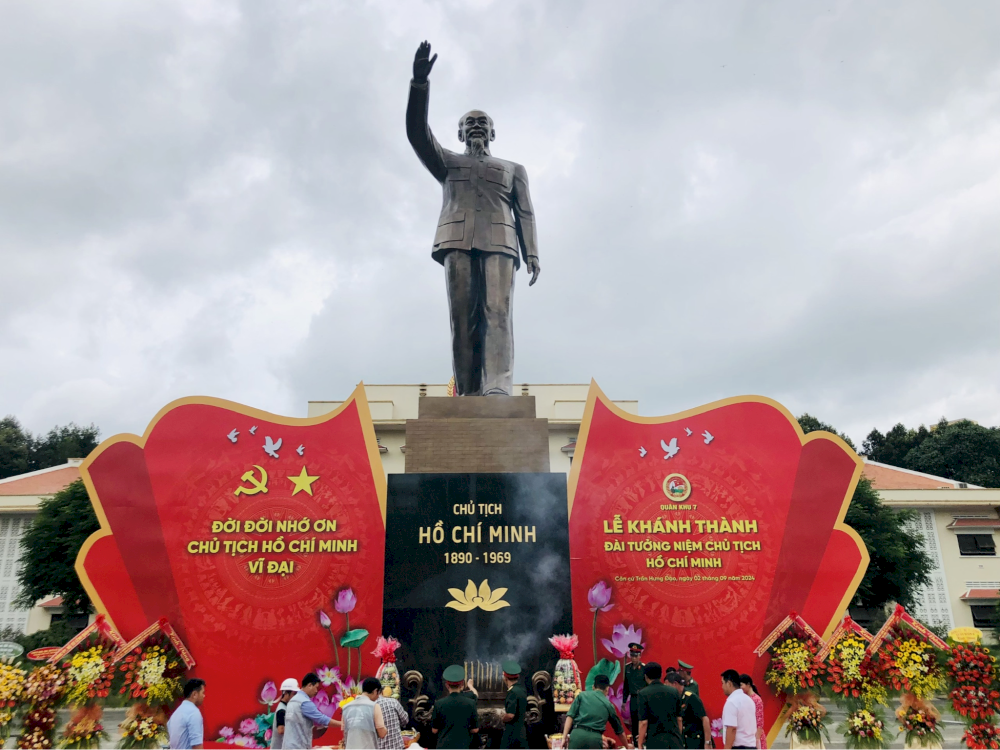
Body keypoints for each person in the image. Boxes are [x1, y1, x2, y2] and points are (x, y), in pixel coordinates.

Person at [406, 41, 541, 397]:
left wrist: (533, 254)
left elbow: (525, 211)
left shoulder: (514, 169)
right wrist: (419, 85)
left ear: (493, 133)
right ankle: (466, 392)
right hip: (456, 241)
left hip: (501, 242)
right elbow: (418, 134)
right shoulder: (447, 162)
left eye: (483, 123)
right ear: (460, 134)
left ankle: (498, 388)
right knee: (462, 318)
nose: (477, 127)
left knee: (497, 313)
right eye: (470, 123)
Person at [563, 675, 633, 750]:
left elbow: (570, 716)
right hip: (594, 740)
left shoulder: (581, 696)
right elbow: (620, 731)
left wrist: (564, 738)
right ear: (607, 689)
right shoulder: (609, 705)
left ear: (593, 687)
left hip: (576, 737)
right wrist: (627, 746)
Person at [284, 673, 342, 750]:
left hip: (288, 746)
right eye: (316, 687)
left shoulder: (292, 701)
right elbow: (322, 719)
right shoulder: (304, 702)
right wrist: (342, 724)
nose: (316, 691)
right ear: (310, 685)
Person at [432, 666, 480, 750]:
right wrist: (470, 686)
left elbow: (434, 730)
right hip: (463, 746)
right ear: (462, 684)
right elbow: (475, 730)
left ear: (447, 685)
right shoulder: (471, 703)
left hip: (443, 746)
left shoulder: (439, 704)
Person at [636, 665, 682, 750]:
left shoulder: (643, 694)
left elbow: (643, 723)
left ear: (646, 676)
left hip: (655, 742)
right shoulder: (674, 691)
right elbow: (679, 719)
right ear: (661, 675)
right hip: (675, 741)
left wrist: (640, 743)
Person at [343, 678, 389, 750]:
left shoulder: (346, 707)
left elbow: (345, 732)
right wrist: (386, 730)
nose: (378, 697)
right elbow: (382, 733)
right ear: (375, 691)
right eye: (379, 693)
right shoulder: (374, 706)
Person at [667, 674, 710, 750]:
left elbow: (704, 719)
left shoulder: (691, 697)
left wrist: (707, 742)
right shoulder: (674, 698)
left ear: (675, 684)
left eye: (668, 686)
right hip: (683, 741)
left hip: (695, 740)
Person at [720, 671, 755, 750]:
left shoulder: (732, 702)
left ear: (729, 683)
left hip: (738, 747)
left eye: (722, 683)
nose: (722, 687)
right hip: (751, 746)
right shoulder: (749, 700)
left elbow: (732, 729)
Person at [168, 678, 206, 750]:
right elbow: (196, 745)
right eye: (202, 693)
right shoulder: (193, 713)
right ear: (194, 694)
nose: (204, 696)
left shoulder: (176, 713)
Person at [500, 661, 528, 750]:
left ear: (505, 677)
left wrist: (502, 718)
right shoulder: (521, 689)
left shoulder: (512, 692)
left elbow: (511, 715)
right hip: (522, 733)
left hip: (512, 734)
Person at [622, 643, 647, 742]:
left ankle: (643, 741)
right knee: (634, 721)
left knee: (643, 720)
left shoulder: (644, 668)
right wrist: (624, 701)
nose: (634, 658)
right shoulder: (627, 668)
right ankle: (636, 744)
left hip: (642, 698)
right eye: (632, 655)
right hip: (633, 698)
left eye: (636, 656)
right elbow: (626, 686)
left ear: (640, 656)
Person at [376, 684, 410, 750]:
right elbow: (405, 719)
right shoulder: (393, 702)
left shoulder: (368, 707)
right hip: (397, 746)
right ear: (381, 691)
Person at [738, 676, 765, 750]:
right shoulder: (744, 698)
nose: (740, 688)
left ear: (748, 684)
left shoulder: (757, 699)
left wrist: (757, 740)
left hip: (755, 737)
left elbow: (760, 722)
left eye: (741, 685)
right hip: (747, 736)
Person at [270, 679, 299, 750]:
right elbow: (281, 729)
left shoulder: (286, 707)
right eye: (294, 694)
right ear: (285, 693)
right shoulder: (282, 710)